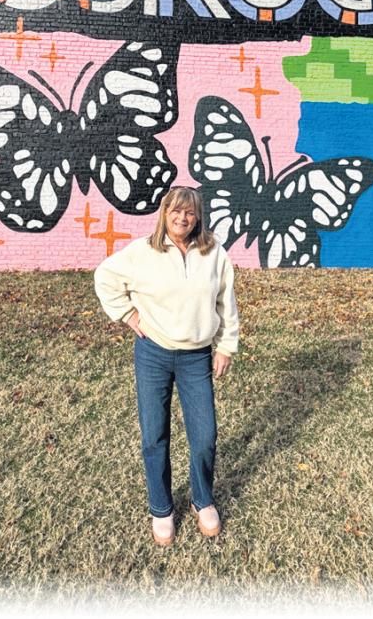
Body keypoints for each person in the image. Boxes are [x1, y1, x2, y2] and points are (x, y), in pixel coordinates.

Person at [94, 185, 239, 547]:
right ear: (164, 213)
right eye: (175, 211)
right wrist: (128, 314)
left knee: (204, 436)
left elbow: (227, 302)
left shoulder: (214, 252)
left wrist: (226, 346)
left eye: (189, 212)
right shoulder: (143, 252)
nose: (182, 218)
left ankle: (202, 499)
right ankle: (161, 507)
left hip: (196, 356)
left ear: (198, 216)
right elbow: (105, 276)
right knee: (154, 435)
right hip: (153, 353)